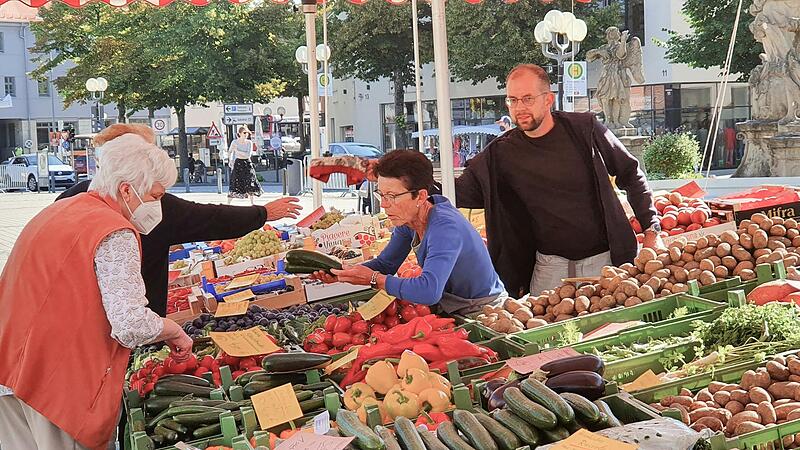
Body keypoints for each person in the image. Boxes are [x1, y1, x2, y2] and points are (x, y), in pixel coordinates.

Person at [0, 130, 193, 450]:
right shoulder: (113, 231)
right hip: (56, 387)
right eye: (156, 196)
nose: (159, 206)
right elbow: (130, 324)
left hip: (9, 370)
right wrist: (174, 331)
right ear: (127, 190)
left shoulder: (61, 211)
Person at [455, 64, 662, 298]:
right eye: (512, 100)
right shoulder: (500, 153)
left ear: (548, 99)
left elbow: (630, 173)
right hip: (548, 267)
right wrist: (421, 183)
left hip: (606, 262)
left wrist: (651, 230)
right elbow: (459, 192)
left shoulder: (584, 130)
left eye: (527, 99)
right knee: (543, 322)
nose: (519, 107)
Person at [57, 124, 302, 317]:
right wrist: (263, 213)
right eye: (149, 154)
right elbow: (208, 218)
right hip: (106, 327)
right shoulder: (100, 216)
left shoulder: (70, 200)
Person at [314, 150, 506, 315]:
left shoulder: (445, 227)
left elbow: (429, 291)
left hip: (483, 310)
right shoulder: (409, 221)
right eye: (381, 195)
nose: (384, 204)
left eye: (392, 196)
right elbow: (386, 264)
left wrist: (374, 279)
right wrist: (343, 273)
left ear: (421, 196)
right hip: (452, 306)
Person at [228, 125, 262, 205]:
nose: (246, 134)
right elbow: (230, 151)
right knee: (235, 182)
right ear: (239, 133)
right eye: (244, 133)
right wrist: (230, 160)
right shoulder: (234, 142)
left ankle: (252, 203)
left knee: (250, 181)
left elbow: (248, 155)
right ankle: (228, 203)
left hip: (247, 163)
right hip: (238, 163)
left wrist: (237, 151)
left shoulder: (249, 142)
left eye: (247, 133)